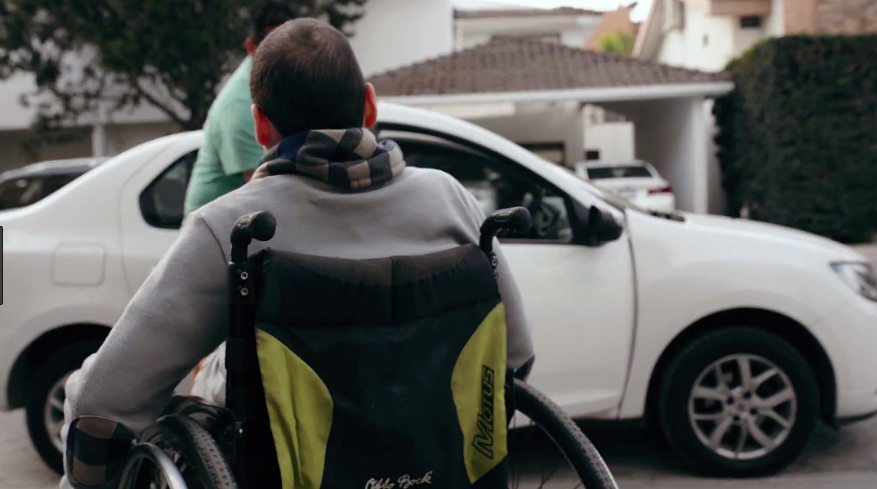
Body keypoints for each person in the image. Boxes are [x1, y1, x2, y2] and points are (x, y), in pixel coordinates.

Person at [61, 18, 534, 488]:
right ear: (369, 106)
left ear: (260, 126)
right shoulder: (451, 200)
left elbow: (102, 407)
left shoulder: (230, 229)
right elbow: (515, 353)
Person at [182, 1, 297, 216]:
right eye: (271, 52)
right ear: (251, 48)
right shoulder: (241, 106)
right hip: (213, 237)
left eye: (289, 52)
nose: (281, 63)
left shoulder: (280, 90)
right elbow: (266, 194)